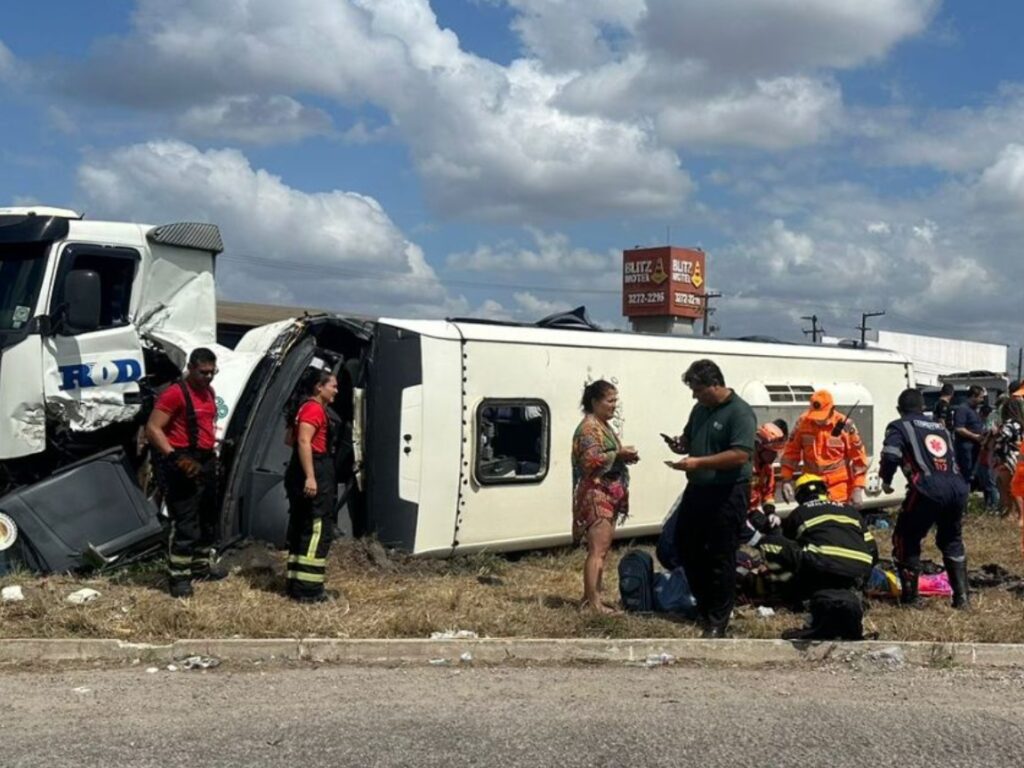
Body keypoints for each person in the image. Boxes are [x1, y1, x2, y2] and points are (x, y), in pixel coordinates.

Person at [664, 359, 756, 638]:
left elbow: (740, 454)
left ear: (715, 385)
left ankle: (718, 618)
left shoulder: (739, 413)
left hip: (728, 491)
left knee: (721, 554)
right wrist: (682, 444)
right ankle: (704, 605)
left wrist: (698, 462)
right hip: (698, 490)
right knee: (685, 545)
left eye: (698, 389)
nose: (695, 395)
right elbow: (691, 438)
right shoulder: (700, 409)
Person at [880, 388, 970, 608]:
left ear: (899, 409)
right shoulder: (941, 429)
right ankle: (962, 598)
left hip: (927, 488)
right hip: (957, 487)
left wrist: (886, 479)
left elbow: (891, 454)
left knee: (905, 538)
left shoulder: (899, 426)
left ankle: (911, 598)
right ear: (923, 408)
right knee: (951, 540)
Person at [146, 347, 223, 598]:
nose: (208, 377)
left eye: (212, 373)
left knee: (207, 516)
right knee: (186, 521)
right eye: (203, 373)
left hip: (206, 459)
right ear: (190, 368)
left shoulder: (209, 392)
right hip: (181, 461)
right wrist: (174, 457)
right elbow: (154, 429)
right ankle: (179, 577)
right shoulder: (174, 394)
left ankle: (200, 566)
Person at [756, 473, 876, 604]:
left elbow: (789, 550)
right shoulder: (850, 510)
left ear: (799, 496)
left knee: (771, 543)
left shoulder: (798, 513)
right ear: (825, 491)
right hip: (859, 569)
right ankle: (852, 587)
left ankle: (786, 592)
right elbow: (872, 549)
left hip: (823, 568)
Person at [572, 380, 639, 613]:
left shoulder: (602, 426)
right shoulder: (589, 428)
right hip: (596, 494)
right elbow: (590, 460)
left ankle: (592, 597)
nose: (614, 406)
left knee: (601, 550)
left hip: (606, 493)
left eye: (615, 401)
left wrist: (621, 457)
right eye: (610, 401)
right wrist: (618, 453)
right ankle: (593, 604)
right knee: (597, 551)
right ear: (595, 402)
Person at [284, 368, 342, 603]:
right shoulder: (313, 409)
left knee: (301, 525)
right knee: (318, 529)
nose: (336, 390)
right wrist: (310, 476)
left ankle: (296, 584)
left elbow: (288, 439)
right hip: (315, 467)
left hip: (304, 469)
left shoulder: (303, 408)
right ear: (320, 387)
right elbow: (303, 441)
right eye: (333, 386)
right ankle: (309, 590)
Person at [779, 390, 870, 506]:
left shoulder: (845, 426)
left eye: (822, 415)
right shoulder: (803, 422)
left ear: (833, 409)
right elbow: (791, 452)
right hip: (811, 487)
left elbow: (859, 459)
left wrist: (858, 488)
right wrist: (786, 480)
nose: (818, 420)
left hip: (838, 489)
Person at [746, 420, 788, 540]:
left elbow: (768, 494)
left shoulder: (767, 469)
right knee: (755, 540)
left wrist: (771, 513)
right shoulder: (744, 466)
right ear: (759, 447)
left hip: (751, 512)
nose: (775, 457)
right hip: (735, 513)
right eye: (772, 453)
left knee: (775, 529)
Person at [994, 397, 1024, 519]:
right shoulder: (1021, 423)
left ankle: (1020, 514)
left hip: (1009, 457)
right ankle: (1010, 511)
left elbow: (1002, 437)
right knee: (1005, 484)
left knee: (1011, 486)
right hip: (1019, 456)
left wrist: (996, 434)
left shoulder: (1010, 424)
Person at [952, 385, 987, 486]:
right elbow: (959, 428)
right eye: (980, 397)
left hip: (975, 446)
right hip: (966, 446)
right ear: (973, 396)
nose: (981, 400)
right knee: (965, 472)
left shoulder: (974, 410)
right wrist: (975, 436)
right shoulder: (962, 409)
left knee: (972, 472)